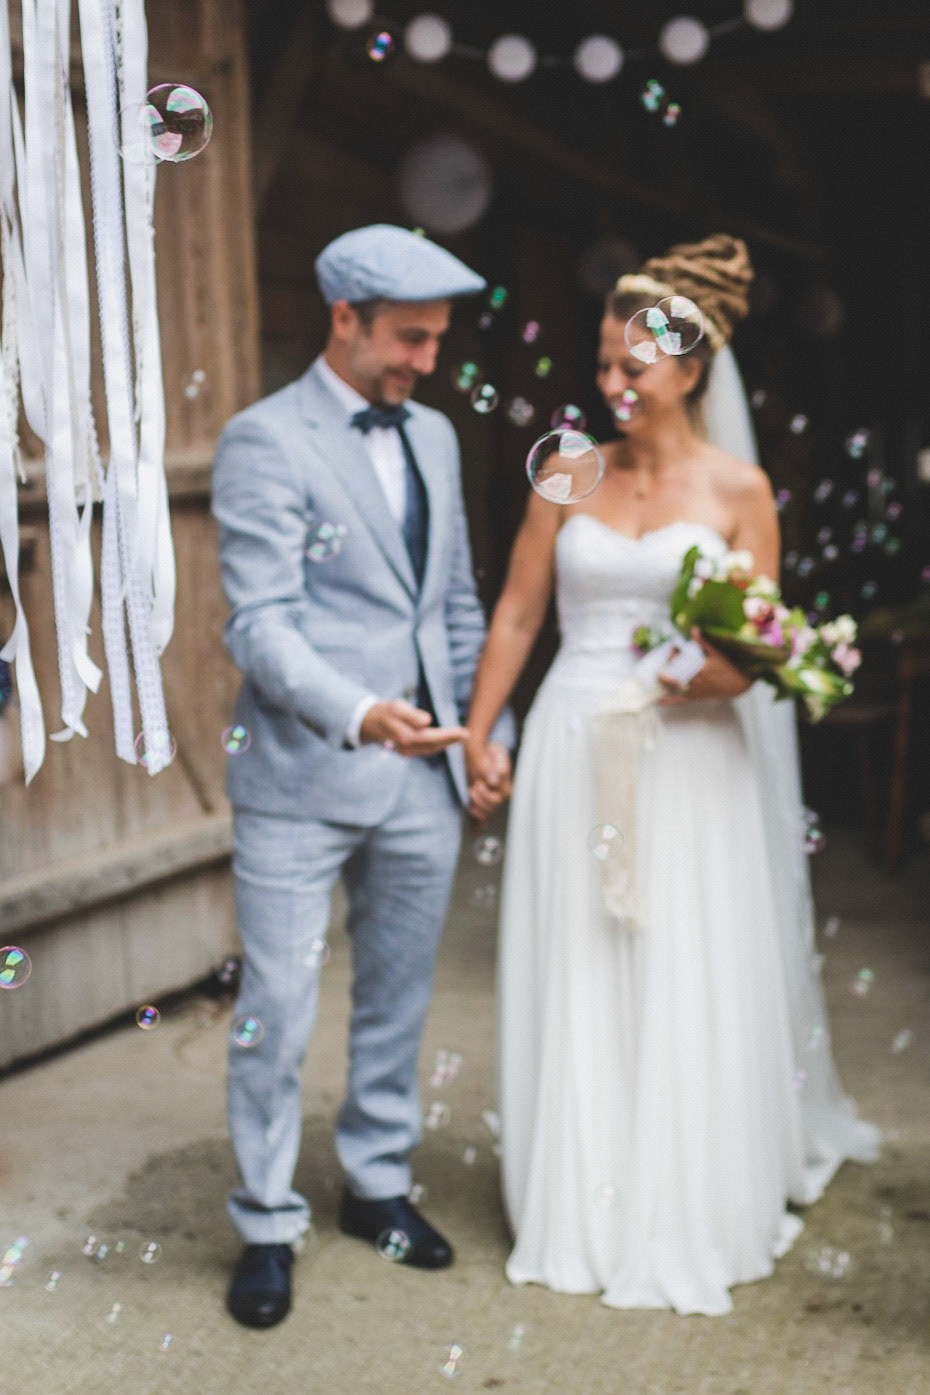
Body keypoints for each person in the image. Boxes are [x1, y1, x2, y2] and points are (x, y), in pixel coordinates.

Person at [464, 235, 879, 1317]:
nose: (611, 382)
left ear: (691, 370)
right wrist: (479, 731)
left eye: (633, 365)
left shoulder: (742, 490)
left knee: (683, 958)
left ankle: (686, 1194)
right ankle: (584, 1197)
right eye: (603, 362)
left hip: (693, 758)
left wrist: (709, 675)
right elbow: (517, 613)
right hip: (573, 740)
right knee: (584, 958)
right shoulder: (569, 468)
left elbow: (756, 650)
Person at [212, 224, 513, 1329]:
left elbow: (456, 604)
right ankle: (265, 1221)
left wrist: (487, 731)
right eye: (409, 339)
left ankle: (376, 1185)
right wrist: (357, 713)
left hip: (423, 780)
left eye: (438, 340)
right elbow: (260, 624)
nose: (428, 362)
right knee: (278, 1009)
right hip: (301, 775)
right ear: (344, 318)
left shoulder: (435, 435)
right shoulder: (263, 439)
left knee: (397, 999)